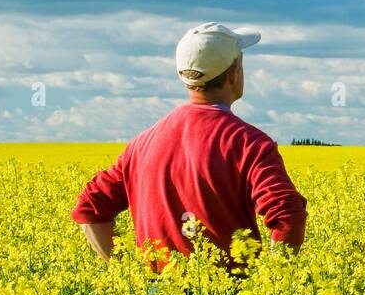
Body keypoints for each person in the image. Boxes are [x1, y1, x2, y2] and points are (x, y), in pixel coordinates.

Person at [72, 22, 307, 267]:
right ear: (235, 71)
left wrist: (130, 276)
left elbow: (90, 208)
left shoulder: (141, 145)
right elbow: (287, 215)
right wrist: (275, 283)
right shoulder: (250, 144)